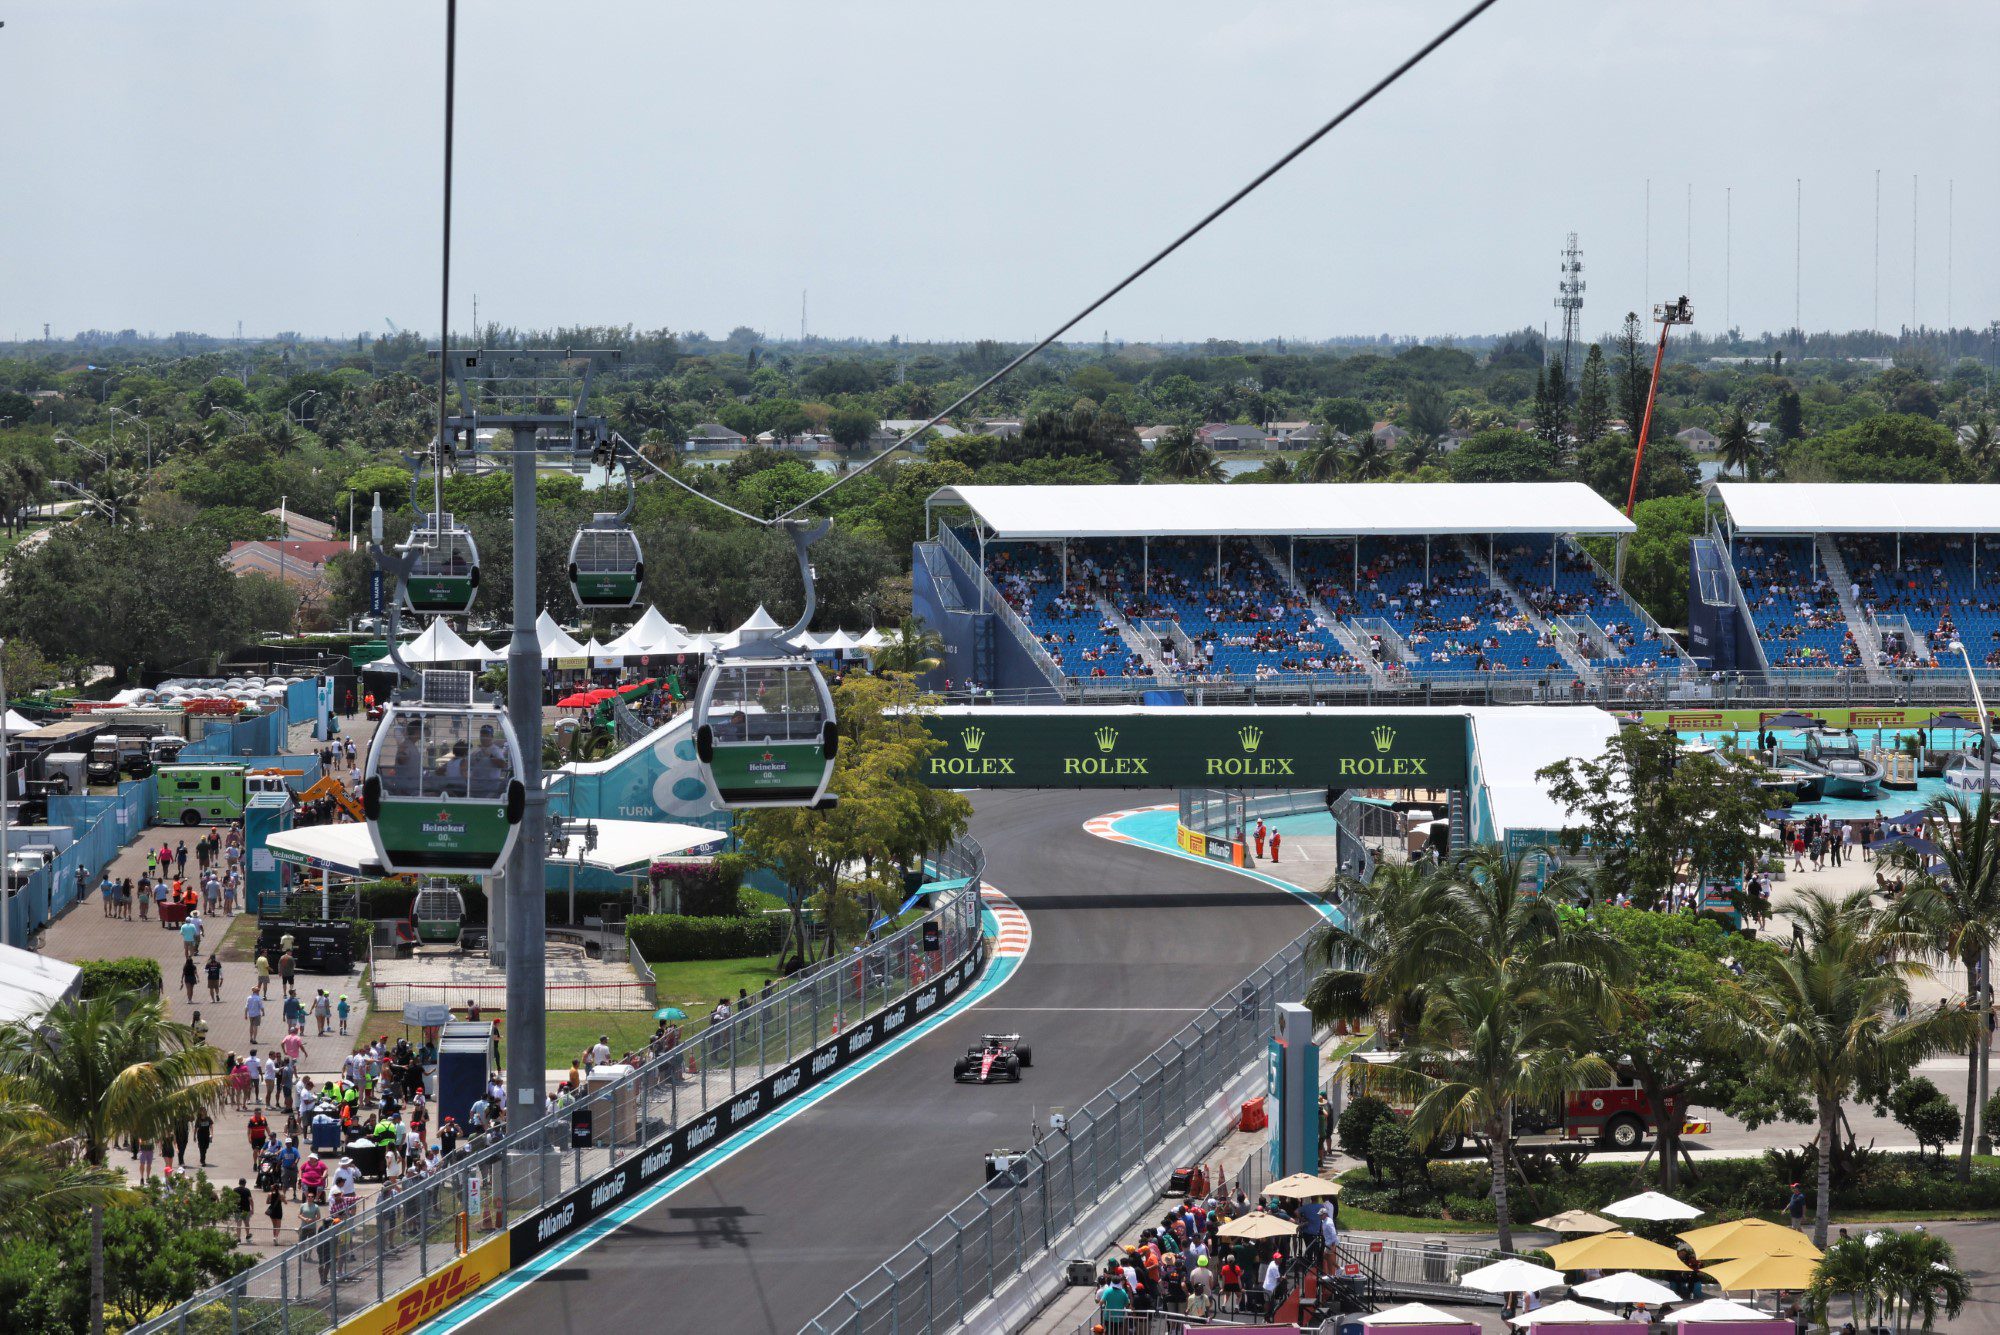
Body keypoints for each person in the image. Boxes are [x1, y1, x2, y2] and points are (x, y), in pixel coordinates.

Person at [233, 1178, 254, 1242]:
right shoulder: (247, 1190)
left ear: (239, 1183)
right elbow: (250, 1200)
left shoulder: (235, 1190)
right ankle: (247, 1236)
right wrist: (252, 1208)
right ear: (245, 1183)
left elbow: (232, 1199)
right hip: (246, 1209)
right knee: (246, 1223)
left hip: (237, 1209)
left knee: (238, 1224)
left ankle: (238, 1238)